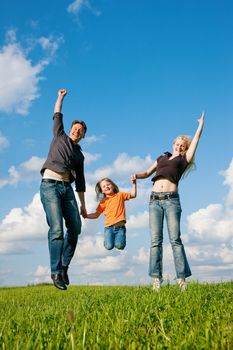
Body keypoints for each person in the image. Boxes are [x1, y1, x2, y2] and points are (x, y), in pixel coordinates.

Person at [133, 112, 204, 291]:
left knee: (175, 240)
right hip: (154, 201)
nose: (180, 146)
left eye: (183, 145)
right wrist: (136, 176)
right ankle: (156, 279)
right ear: (173, 144)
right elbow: (147, 173)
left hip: (172, 201)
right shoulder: (161, 158)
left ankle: (181, 280)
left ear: (185, 148)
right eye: (177, 143)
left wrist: (200, 125)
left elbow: (195, 142)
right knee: (155, 241)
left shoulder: (184, 160)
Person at [40, 89, 87, 290]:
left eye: (81, 131)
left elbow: (81, 182)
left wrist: (83, 206)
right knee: (57, 229)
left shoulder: (80, 156)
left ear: (83, 136)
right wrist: (60, 97)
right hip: (50, 186)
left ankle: (65, 266)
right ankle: (56, 271)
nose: (77, 131)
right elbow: (57, 113)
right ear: (70, 129)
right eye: (75, 128)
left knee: (75, 228)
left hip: (67, 189)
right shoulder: (59, 135)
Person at [83, 176, 137, 250]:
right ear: (102, 191)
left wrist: (134, 183)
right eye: (104, 186)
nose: (106, 187)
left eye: (108, 185)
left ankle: (120, 241)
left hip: (120, 227)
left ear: (113, 186)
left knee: (119, 245)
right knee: (109, 246)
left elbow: (133, 195)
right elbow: (96, 215)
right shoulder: (103, 202)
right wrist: (86, 215)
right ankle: (107, 240)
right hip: (108, 228)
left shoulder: (120, 195)